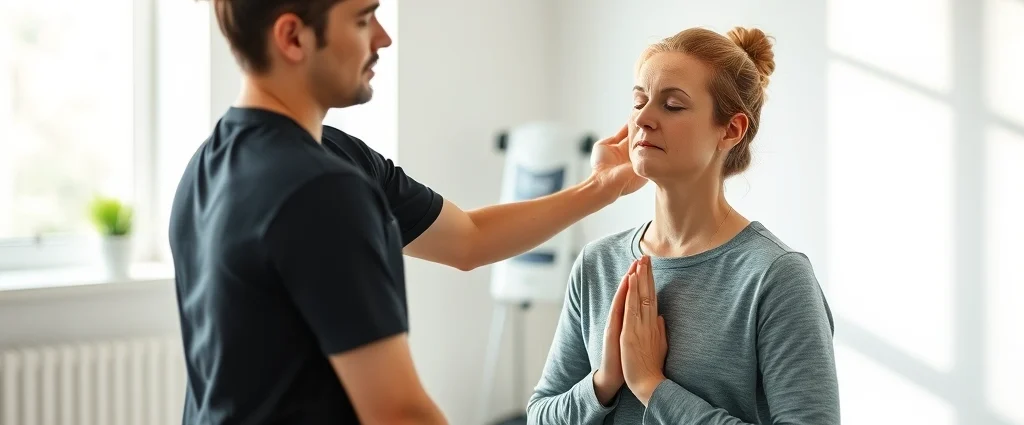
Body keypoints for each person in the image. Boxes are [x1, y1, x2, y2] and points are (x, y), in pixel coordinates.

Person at [166, 0, 646, 424]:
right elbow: (398, 413)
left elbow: (468, 239)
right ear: (292, 37)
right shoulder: (320, 190)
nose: (383, 37)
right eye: (361, 20)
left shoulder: (214, 165)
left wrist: (601, 187)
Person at [527, 26, 840, 424]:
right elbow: (539, 415)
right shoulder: (597, 264)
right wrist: (604, 381)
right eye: (639, 101)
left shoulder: (776, 277)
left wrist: (651, 386)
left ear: (731, 130)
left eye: (672, 105)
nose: (643, 118)